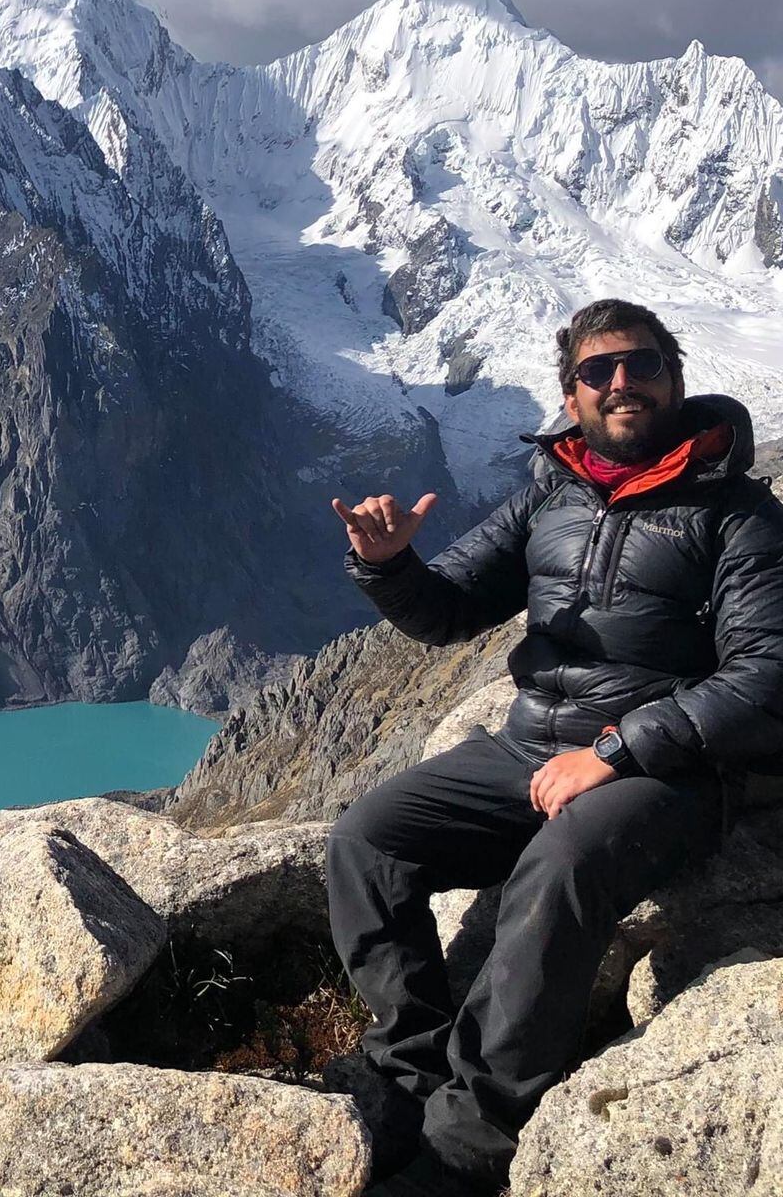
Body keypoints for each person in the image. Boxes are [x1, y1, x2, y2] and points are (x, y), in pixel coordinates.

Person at [326, 298, 783, 1196]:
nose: (622, 384)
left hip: (670, 768)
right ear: (570, 392)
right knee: (368, 839)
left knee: (561, 863)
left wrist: (613, 751)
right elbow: (452, 609)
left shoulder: (738, 517)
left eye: (642, 365)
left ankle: (472, 1140)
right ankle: (411, 1076)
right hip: (530, 744)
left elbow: (766, 676)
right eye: (598, 371)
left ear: (676, 381)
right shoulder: (555, 488)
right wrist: (389, 566)